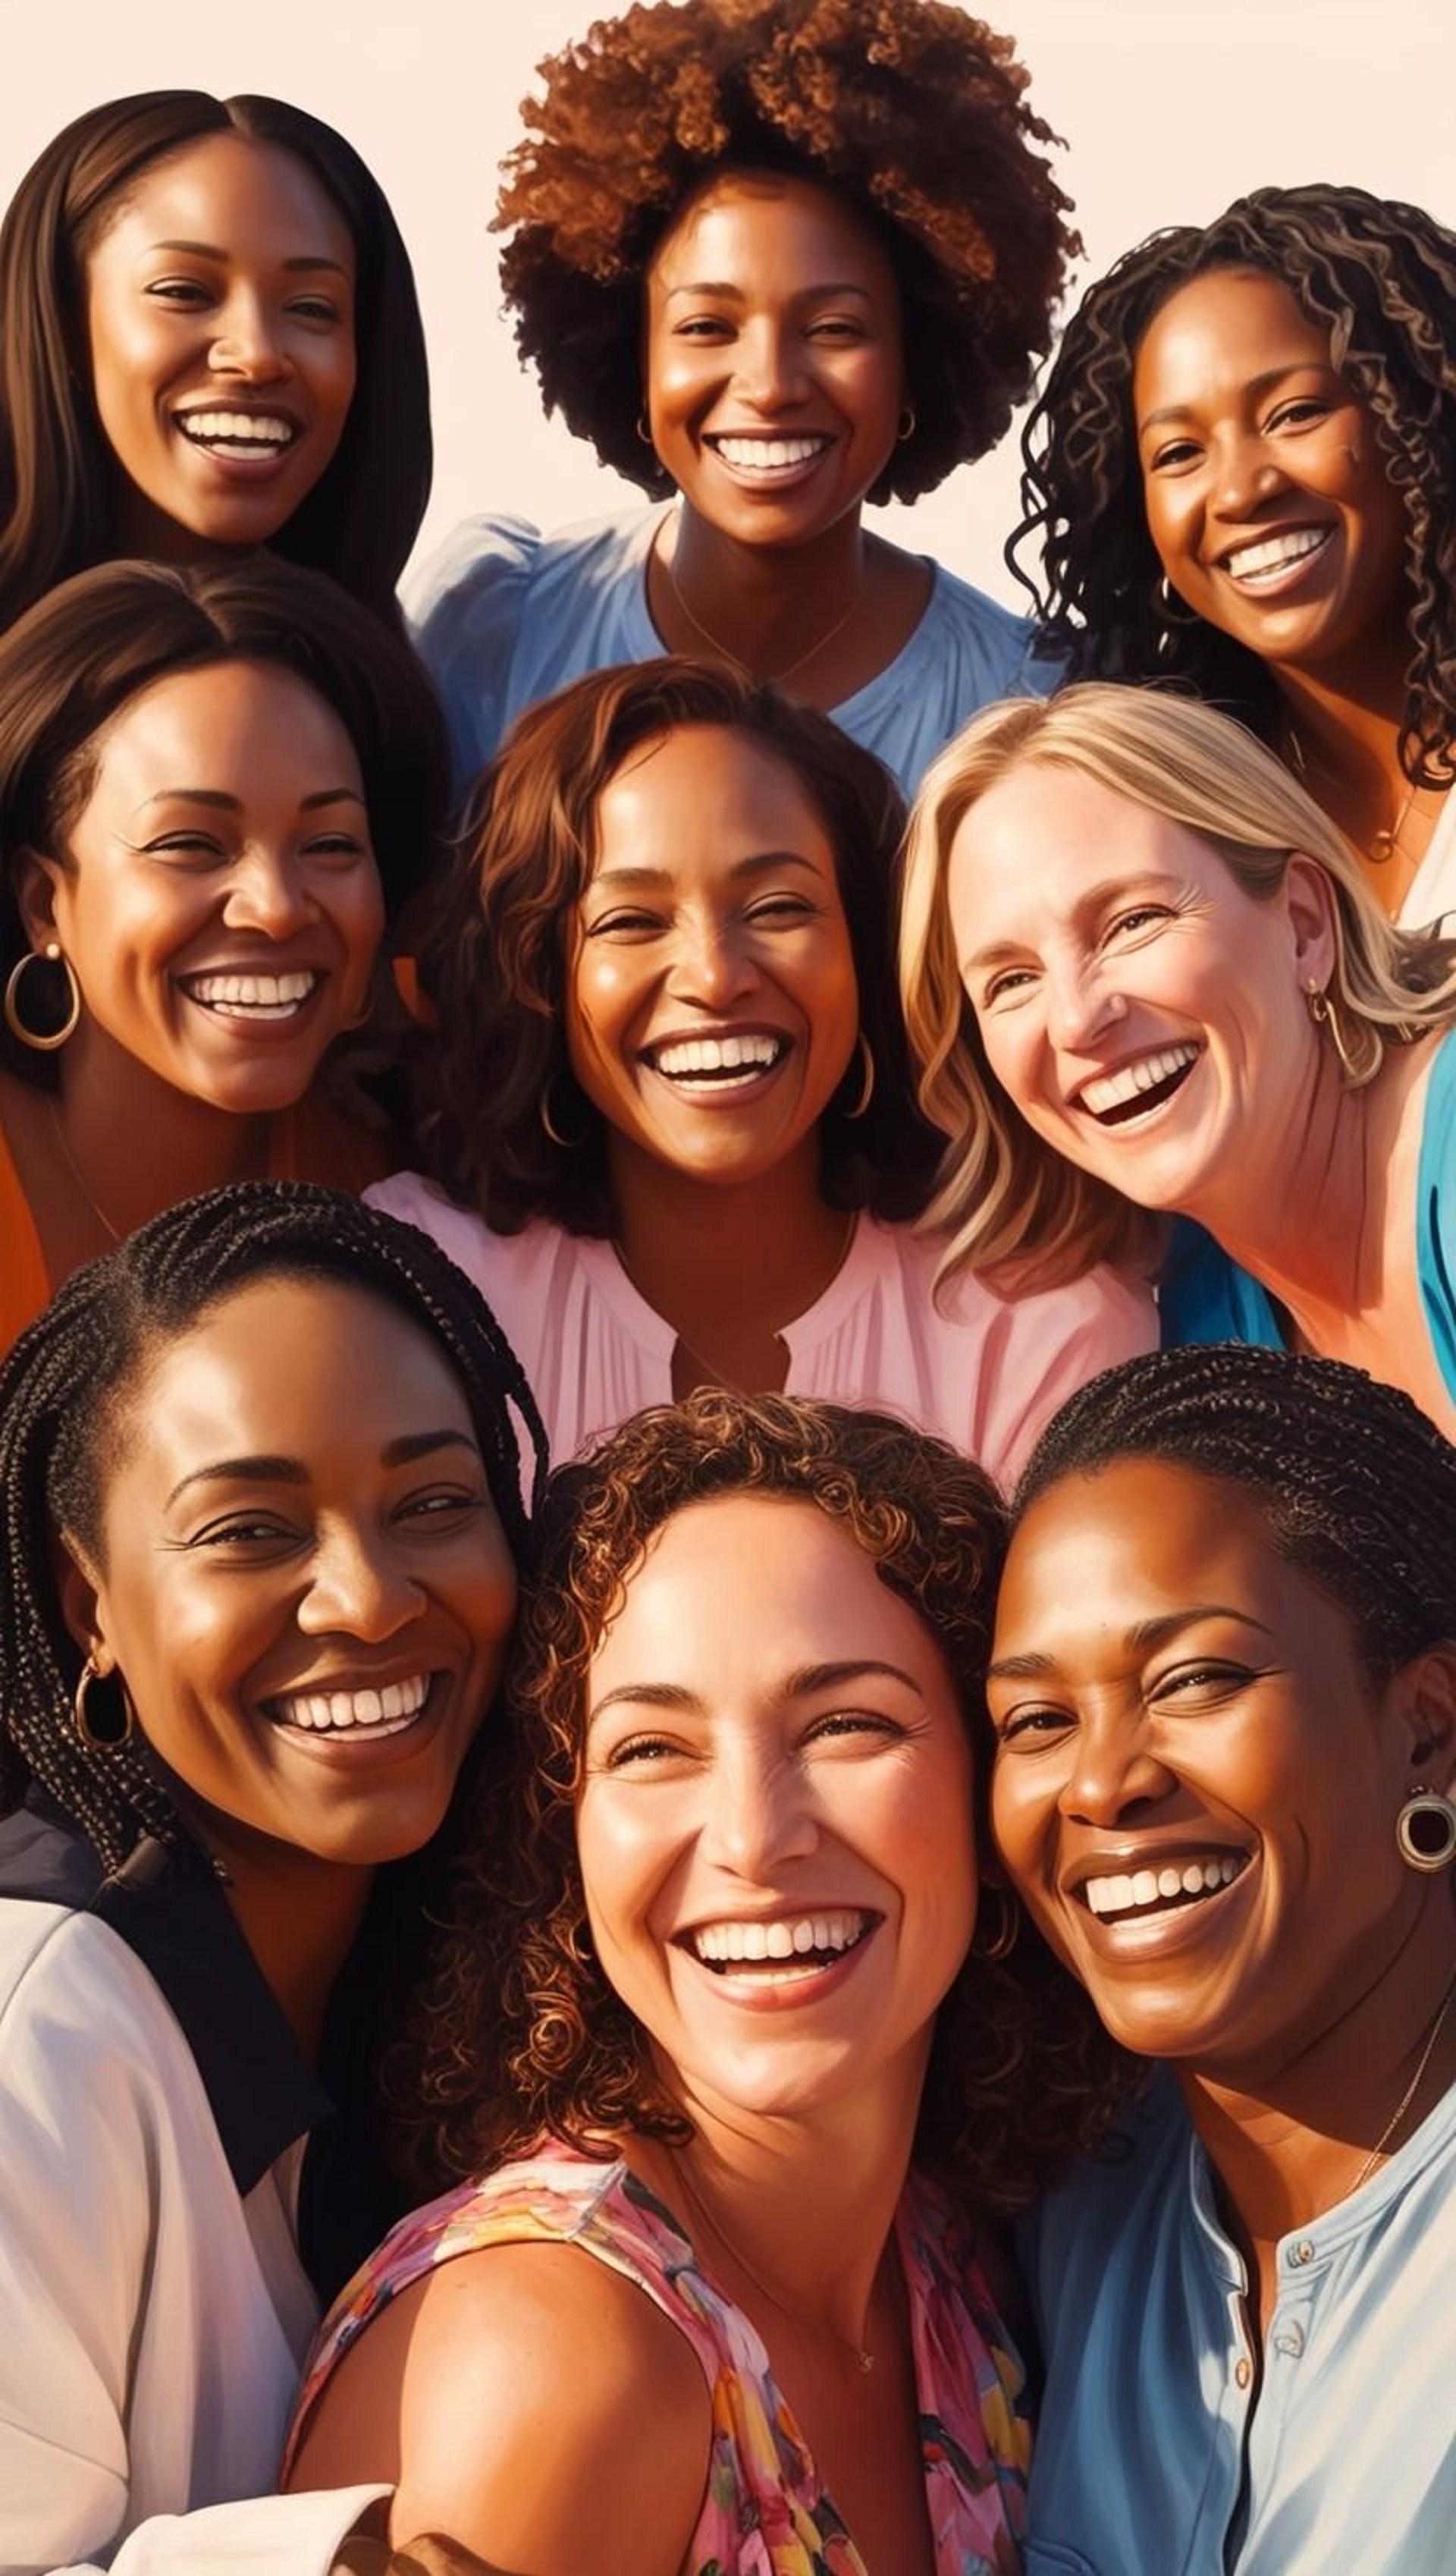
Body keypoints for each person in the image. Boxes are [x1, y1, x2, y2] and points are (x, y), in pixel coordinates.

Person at [284, 1387, 1136, 2569]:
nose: (752, 1836)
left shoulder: (948, 2251)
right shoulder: (558, 2361)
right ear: (561, 1835)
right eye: (652, 1750)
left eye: (846, 1725)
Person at [0, 1180, 546, 2574]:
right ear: (91, 1606)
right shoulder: (35, 2030)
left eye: (433, 1501)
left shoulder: (470, 1960)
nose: (366, 1597)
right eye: (250, 1531)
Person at [375, 658, 1152, 1483]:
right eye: (631, 921)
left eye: (779, 907)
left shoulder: (1038, 1330)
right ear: (538, 973)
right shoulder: (421, 1286)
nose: (715, 976)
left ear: (870, 948)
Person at [987, 1343, 1456, 2576]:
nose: (1099, 1782)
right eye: (1036, 1719)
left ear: (1427, 1731)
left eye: (1195, 1679)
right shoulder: (1063, 2205)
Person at [415, 0, 1076, 793]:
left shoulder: (1021, 703)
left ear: (919, 361)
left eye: (833, 329)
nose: (768, 385)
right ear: (633, 355)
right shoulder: (499, 627)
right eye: (706, 326)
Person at [898, 680, 1456, 1434]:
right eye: (1013, 980)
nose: (1076, 1020)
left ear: (1304, 924)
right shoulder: (1198, 1324)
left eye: (1133, 922)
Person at [0, 553, 450, 1355]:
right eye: (191, 844)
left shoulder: (421, 1158)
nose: (276, 908)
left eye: (331, 844)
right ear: (43, 902)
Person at [1012, 185, 1456, 925]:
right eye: (1181, 453)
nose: (1241, 492)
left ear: (1416, 414)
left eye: (1296, 414)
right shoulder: (1174, 827)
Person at [0, 90, 431, 633]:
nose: (256, 354)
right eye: (183, 292)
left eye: (311, 307)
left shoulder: (418, 683)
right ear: (61, 323)